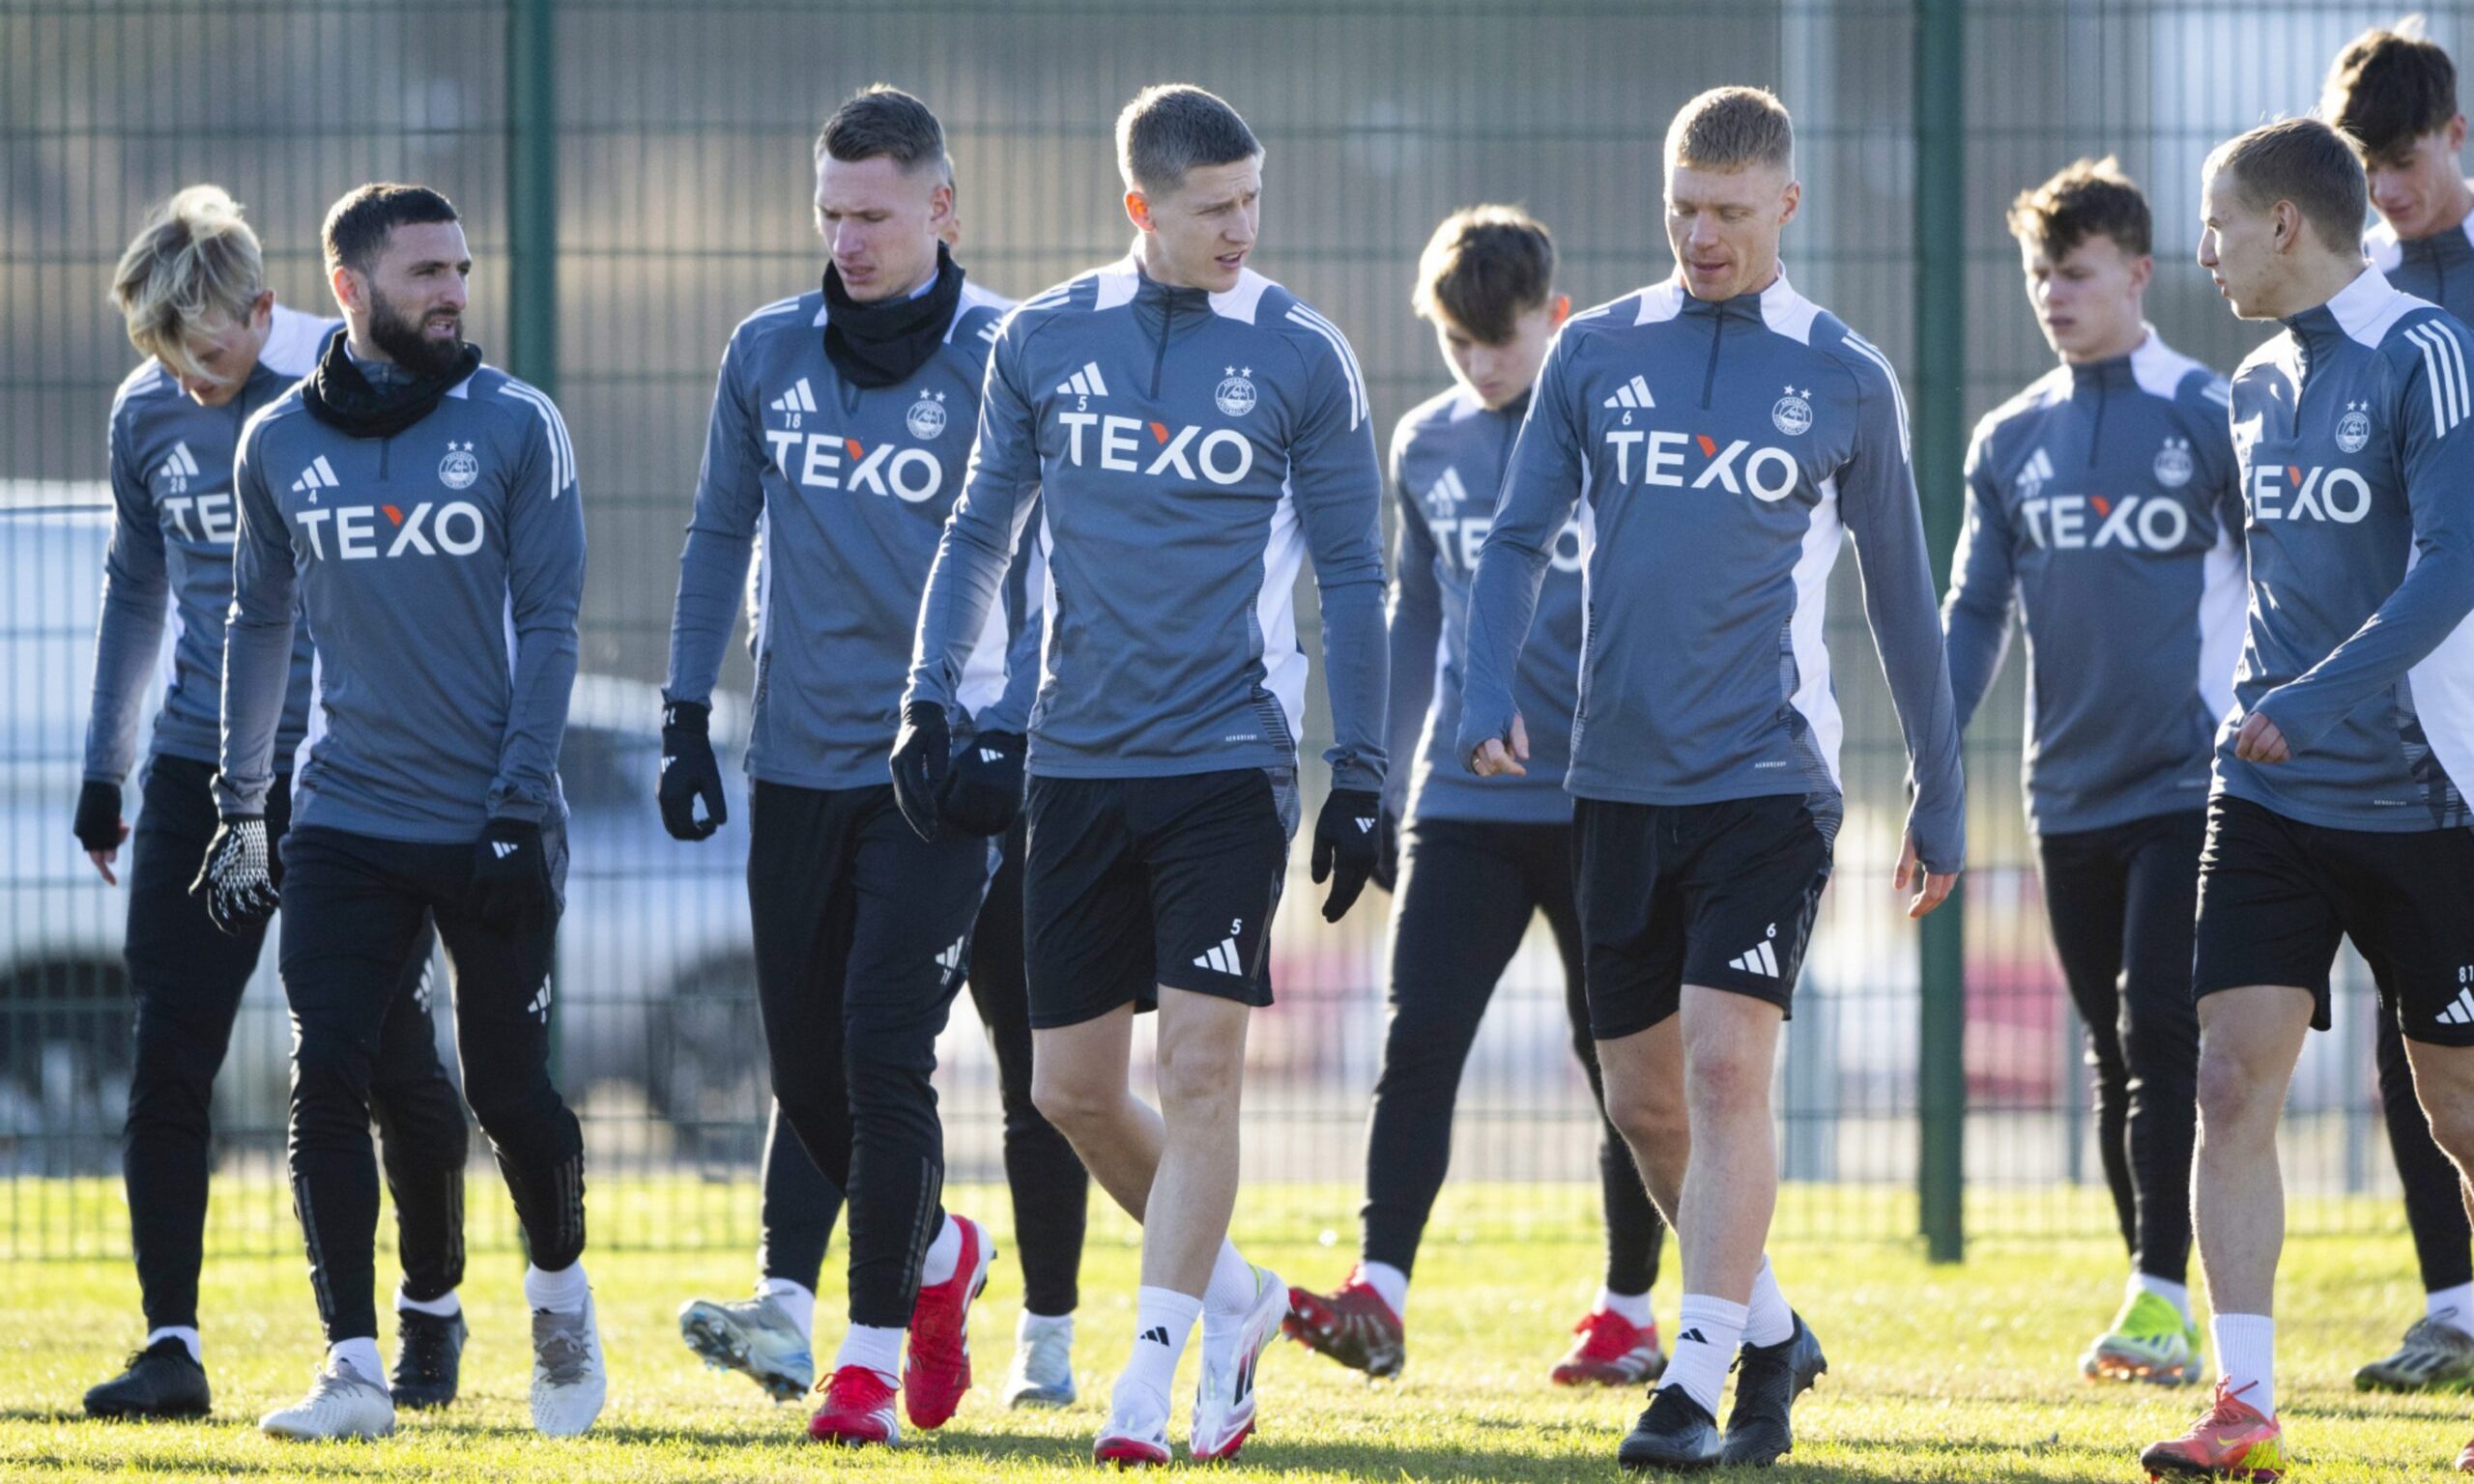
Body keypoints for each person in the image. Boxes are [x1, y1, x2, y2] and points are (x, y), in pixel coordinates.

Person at [1455, 86, 1964, 1470]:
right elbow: (1512, 543)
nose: (1702, 234)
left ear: (1786, 207)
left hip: (1767, 783)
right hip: (1613, 784)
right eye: (1683, 207)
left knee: (1729, 1066)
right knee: (1646, 1103)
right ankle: (1772, 1334)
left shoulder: (1846, 374)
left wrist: (1942, 783)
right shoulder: (1597, 352)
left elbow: (1905, 599)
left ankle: (1693, 1381)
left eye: (1731, 212)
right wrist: (1482, 683)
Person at [901, 81, 1389, 1466]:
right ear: (1141, 209)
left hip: (1230, 763)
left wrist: (1361, 767)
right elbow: (979, 526)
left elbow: (1356, 571)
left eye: (1254, 200)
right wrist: (927, 697)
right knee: (1068, 1089)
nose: (1243, 228)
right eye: (1213, 209)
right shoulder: (1046, 339)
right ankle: (1234, 1302)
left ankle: (1149, 1381)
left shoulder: (1305, 354)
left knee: (1203, 1069)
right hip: (1078, 761)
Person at [656, 84, 1075, 1443]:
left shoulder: (1011, 351)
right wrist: (681, 712)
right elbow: (720, 533)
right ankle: (943, 1252)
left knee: (887, 1050)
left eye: (876, 214)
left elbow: (1067, 563)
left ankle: (864, 1362)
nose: (848, 238)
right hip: (795, 765)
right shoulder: (766, 350)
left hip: (941, 772)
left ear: (943, 208)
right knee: (810, 1074)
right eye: (831, 213)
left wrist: (1014, 730)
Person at [196, 182, 600, 1441]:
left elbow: (551, 626)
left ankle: (558, 1301)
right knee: (332, 1068)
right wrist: (243, 804)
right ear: (350, 290)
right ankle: (356, 1367)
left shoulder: (519, 424)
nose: (454, 292)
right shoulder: (277, 445)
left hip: (492, 814)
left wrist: (517, 801)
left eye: (462, 268)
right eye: (426, 271)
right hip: (346, 816)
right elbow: (257, 623)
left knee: (508, 1095)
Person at [74, 186, 470, 1422]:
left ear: (259, 311)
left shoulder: (350, 396)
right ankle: (171, 1345)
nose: (181, 376)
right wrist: (106, 764)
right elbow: (137, 591)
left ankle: (428, 1311)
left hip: (351, 771)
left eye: (199, 350)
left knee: (384, 1056)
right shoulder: (149, 412)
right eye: (157, 353)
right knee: (170, 1049)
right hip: (202, 769)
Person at [1283, 206, 1669, 1388]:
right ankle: (1378, 1295)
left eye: (1498, 340)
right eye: (1456, 343)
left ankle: (1628, 1311)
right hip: (1462, 801)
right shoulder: (1426, 444)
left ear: (1554, 317)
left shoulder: (1615, 433)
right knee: (1420, 1042)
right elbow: (1418, 617)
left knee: (1618, 1063)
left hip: (1600, 799)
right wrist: (1380, 772)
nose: (1480, 364)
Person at [2142, 116, 2474, 1479]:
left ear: (2287, 222)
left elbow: (2450, 572)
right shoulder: (2251, 381)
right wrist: (2248, 718)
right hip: (2270, 797)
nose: (2202, 249)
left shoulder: (2425, 352)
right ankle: (2248, 1403)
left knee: (2459, 1113)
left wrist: (2311, 703)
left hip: (2426, 801)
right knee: (2228, 1081)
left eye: (2218, 222)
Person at [1942, 157, 2239, 1387]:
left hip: (2190, 781)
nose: (2052, 297)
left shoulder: (2209, 411)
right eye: (2037, 276)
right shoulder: (2009, 438)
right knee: (2112, 1056)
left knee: (2159, 1030)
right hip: (2064, 794)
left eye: (2074, 274)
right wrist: (1931, 748)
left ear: (2136, 273)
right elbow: (1972, 611)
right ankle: (2154, 1304)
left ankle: (2161, 1296)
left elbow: (2282, 577)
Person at [2319, 18, 2474, 1395]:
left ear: (2459, 138)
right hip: (2395, 707)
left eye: (2404, 159)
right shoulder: (2353, 295)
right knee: (2409, 1014)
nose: (2387, 190)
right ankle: (2457, 1303)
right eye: (2364, 166)